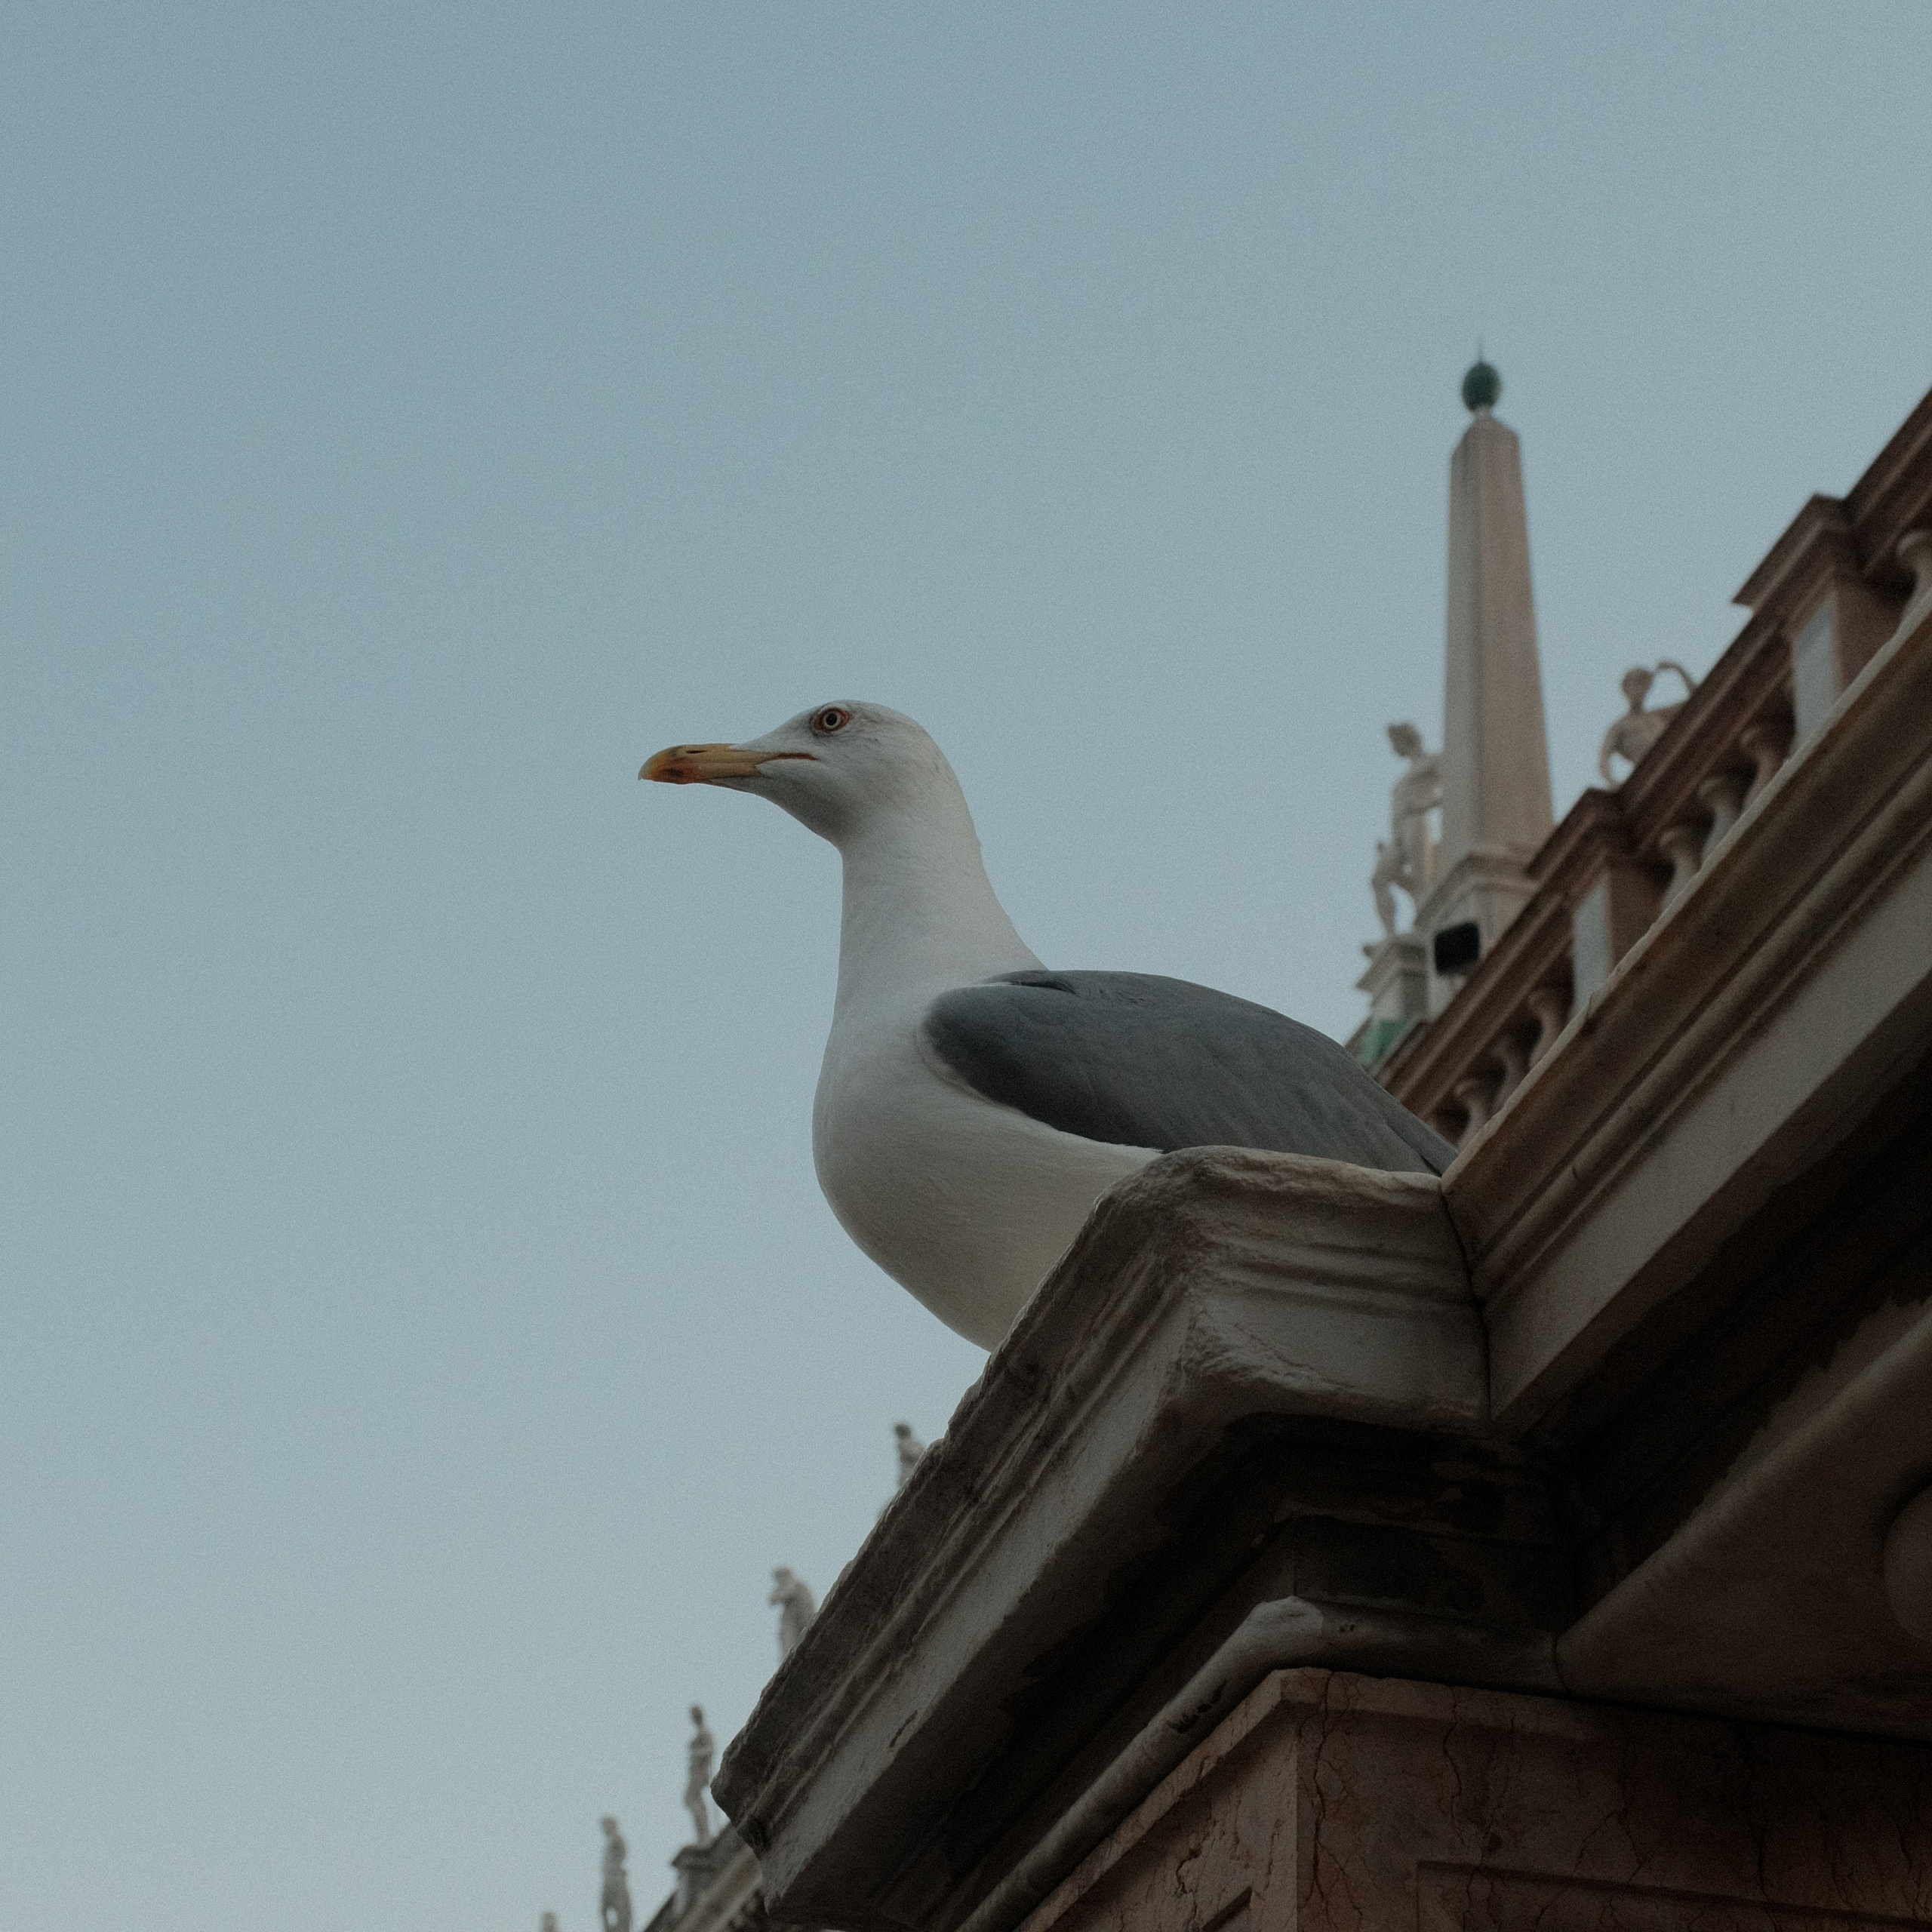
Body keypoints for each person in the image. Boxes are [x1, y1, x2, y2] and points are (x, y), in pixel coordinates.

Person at [685, 1705, 715, 1846]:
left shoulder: (705, 1732)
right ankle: (703, 1834)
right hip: (694, 1771)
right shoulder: (700, 1732)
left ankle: (705, 1835)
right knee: (692, 1800)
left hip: (700, 1772)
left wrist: (695, 1753)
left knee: (691, 1799)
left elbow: (710, 1749)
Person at [599, 1816, 632, 1932]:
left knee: (621, 1906)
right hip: (608, 1878)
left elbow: (623, 1853)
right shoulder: (611, 1840)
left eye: (606, 1826)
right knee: (604, 1909)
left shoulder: (617, 1838)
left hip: (615, 1878)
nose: (604, 1829)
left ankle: (622, 1928)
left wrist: (615, 1866)